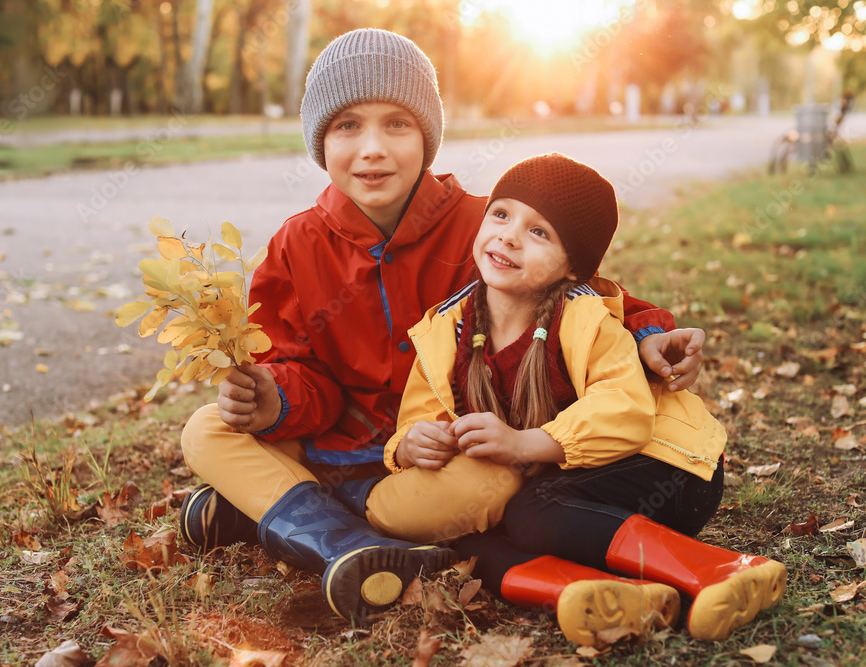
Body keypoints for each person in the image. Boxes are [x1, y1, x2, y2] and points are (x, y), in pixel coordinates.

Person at [178, 28, 706, 626]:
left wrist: (647, 335)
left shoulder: (484, 226)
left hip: (443, 456)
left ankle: (265, 514)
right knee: (206, 430)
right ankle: (346, 547)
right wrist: (275, 399)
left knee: (492, 487)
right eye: (347, 126)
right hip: (334, 442)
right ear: (319, 139)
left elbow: (578, 291)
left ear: (427, 136)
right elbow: (296, 367)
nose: (372, 148)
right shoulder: (297, 244)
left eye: (397, 125)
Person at [380, 153, 786, 645]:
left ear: (573, 265)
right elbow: (420, 414)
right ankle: (601, 592)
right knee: (467, 535)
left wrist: (524, 444)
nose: (509, 236)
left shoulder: (584, 319)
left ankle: (722, 569)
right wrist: (408, 445)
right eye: (501, 214)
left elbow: (625, 410)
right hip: (579, 487)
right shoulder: (447, 328)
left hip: (668, 469)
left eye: (539, 232)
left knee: (534, 511)